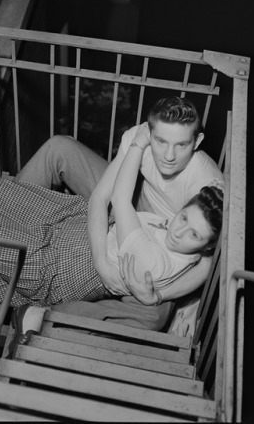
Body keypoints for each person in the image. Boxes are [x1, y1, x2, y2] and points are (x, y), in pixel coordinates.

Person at [0, 121, 222, 312]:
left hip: (60, 267)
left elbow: (121, 203)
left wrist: (139, 142)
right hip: (71, 223)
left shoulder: (154, 260)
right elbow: (105, 204)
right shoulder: (173, 227)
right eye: (184, 218)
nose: (180, 230)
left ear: (206, 247)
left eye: (193, 235)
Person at [15, 96, 224, 329]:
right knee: (59, 148)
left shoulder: (207, 183)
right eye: (161, 141)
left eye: (181, 145)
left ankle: (46, 317)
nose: (169, 155)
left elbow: (207, 264)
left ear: (197, 141)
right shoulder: (140, 138)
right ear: (150, 132)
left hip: (168, 244)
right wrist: (101, 261)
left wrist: (159, 296)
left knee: (152, 318)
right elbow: (101, 196)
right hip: (129, 201)